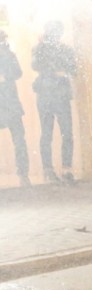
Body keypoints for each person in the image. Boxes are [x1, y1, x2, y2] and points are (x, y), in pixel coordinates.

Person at [31, 20, 76, 183]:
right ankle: (48, 169)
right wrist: (43, 48)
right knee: (47, 133)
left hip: (61, 95)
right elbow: (35, 65)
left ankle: (66, 169)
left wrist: (59, 70)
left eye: (57, 32)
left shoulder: (65, 49)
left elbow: (73, 67)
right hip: (45, 95)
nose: (55, 35)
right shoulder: (39, 48)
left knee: (67, 133)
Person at [0, 30, 30, 187]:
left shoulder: (9, 54)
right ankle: (23, 173)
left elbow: (18, 72)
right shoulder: (8, 53)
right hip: (9, 103)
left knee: (19, 139)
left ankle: (23, 173)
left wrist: (5, 76)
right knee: (19, 139)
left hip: (10, 103)